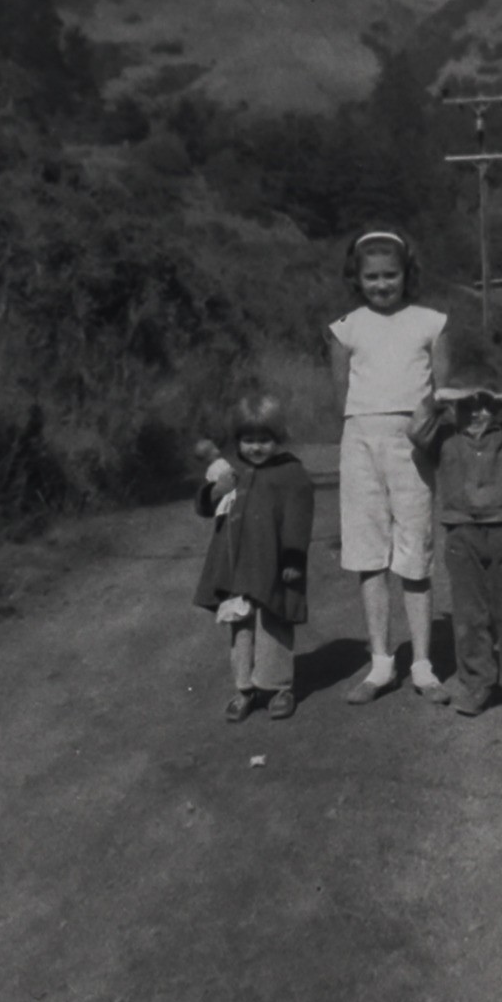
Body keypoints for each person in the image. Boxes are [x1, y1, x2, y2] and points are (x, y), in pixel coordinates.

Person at [327, 228, 450, 704]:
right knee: (368, 552)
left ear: (406, 274)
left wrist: (428, 423)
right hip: (360, 441)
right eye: (371, 277)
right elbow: (341, 394)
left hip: (413, 444)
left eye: (390, 275)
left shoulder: (431, 322)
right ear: (357, 278)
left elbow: (443, 390)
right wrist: (359, 433)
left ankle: (422, 664)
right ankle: (381, 663)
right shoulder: (345, 328)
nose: (382, 285)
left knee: (414, 550)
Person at [407, 384, 502, 717]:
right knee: (469, 617)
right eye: (467, 407)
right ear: (455, 411)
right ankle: (477, 685)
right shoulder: (444, 438)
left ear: (496, 409)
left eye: (485, 406)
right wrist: (436, 400)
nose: (477, 414)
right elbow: (415, 431)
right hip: (461, 535)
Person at [193, 393, 315, 722]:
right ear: (238, 442)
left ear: (278, 439)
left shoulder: (291, 474)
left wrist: (292, 559)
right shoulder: (235, 473)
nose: (256, 448)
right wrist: (215, 490)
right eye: (248, 440)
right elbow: (207, 507)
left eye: (264, 440)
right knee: (240, 625)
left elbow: (298, 518)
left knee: (272, 621)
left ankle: (278, 687)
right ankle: (244, 687)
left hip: (273, 563)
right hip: (236, 565)